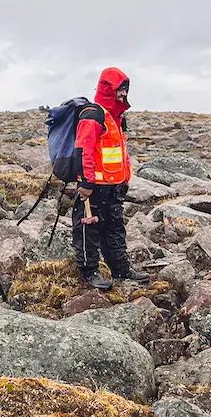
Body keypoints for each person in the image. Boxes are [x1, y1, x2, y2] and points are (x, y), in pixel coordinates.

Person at [72, 67, 150, 289]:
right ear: (109, 89)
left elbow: (119, 151)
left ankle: (121, 270)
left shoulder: (116, 117)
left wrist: (125, 178)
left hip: (114, 186)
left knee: (115, 229)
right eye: (119, 90)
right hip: (94, 187)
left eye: (125, 90)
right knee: (88, 230)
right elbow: (83, 150)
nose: (123, 94)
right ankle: (89, 272)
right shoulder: (93, 114)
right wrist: (85, 183)